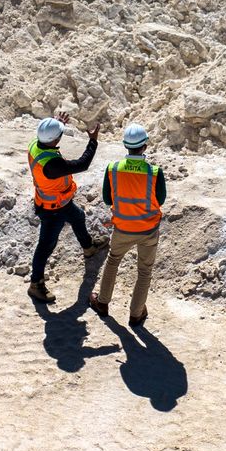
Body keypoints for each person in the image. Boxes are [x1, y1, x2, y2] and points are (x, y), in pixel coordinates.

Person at [26, 111, 106, 304]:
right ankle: (35, 284)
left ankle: (88, 247)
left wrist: (55, 123)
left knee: (78, 217)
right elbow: (82, 163)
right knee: (46, 246)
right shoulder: (52, 165)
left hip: (59, 201)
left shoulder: (36, 145)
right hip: (53, 209)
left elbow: (49, 135)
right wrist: (93, 141)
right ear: (55, 139)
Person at [91, 123, 166, 327]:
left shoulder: (113, 169)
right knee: (144, 271)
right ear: (145, 146)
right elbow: (160, 200)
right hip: (148, 230)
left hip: (122, 228)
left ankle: (103, 302)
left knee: (113, 261)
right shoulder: (154, 172)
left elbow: (108, 199)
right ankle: (136, 313)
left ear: (126, 145)